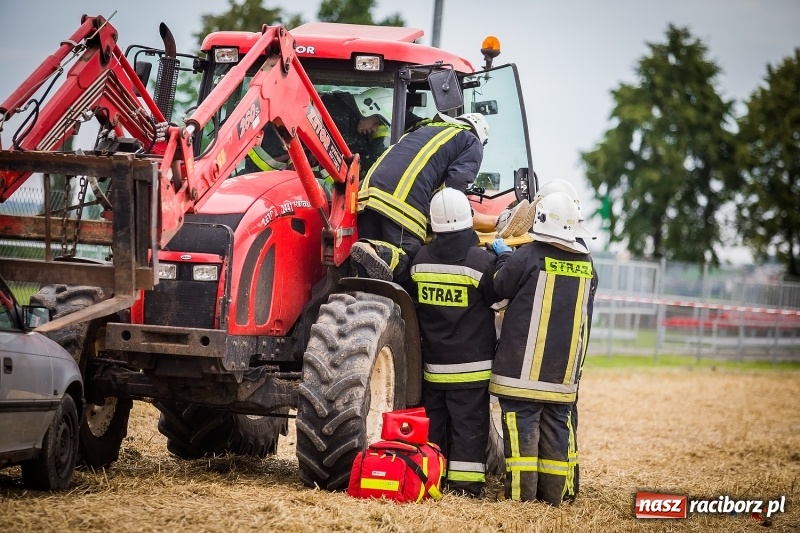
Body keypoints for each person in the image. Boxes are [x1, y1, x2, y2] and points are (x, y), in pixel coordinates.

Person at [488, 191, 597, 505]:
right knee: (556, 433)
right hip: (561, 374)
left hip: (521, 372)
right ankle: (553, 499)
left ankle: (522, 500)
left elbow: (500, 286)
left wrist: (503, 255)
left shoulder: (529, 255)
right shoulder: (587, 264)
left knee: (522, 433)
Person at [409, 188, 500, 498]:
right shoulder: (480, 262)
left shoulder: (418, 261)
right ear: (467, 219)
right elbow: (498, 298)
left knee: (434, 429)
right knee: (468, 431)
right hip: (472, 371)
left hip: (433, 368)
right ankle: (465, 487)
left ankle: (432, 480)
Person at [351, 111, 500, 284]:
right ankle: (382, 253)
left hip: (366, 196)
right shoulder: (470, 140)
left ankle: (370, 255)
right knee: (412, 263)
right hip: (400, 201)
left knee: (367, 269)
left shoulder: (424, 131)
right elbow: (454, 189)